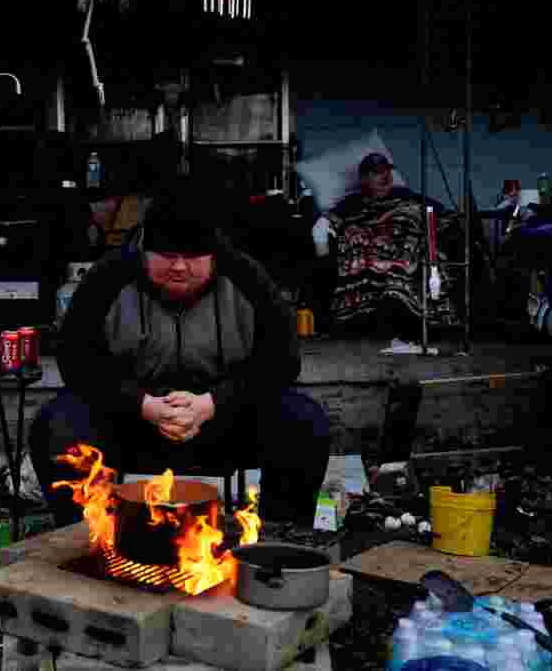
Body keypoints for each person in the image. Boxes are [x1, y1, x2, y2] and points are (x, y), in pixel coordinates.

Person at [28, 178, 332, 528]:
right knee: (60, 424)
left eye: (192, 257)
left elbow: (282, 360)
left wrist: (212, 403)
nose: (179, 268)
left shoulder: (246, 277)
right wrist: (142, 405)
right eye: (167, 256)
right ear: (145, 251)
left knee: (302, 421)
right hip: (131, 423)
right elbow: (77, 360)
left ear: (213, 254)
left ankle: (280, 544)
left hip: (224, 422)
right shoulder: (108, 277)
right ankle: (86, 538)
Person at [325, 153, 465, 338]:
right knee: (364, 254)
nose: (386, 177)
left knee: (421, 251)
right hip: (374, 247)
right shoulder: (351, 204)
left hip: (408, 243)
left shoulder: (406, 196)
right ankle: (383, 311)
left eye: (388, 171)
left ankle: (415, 312)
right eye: (377, 173)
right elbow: (329, 222)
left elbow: (439, 214)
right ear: (364, 179)